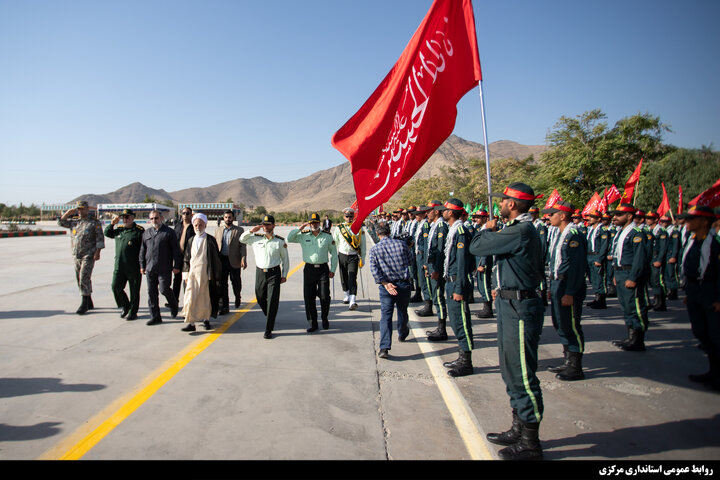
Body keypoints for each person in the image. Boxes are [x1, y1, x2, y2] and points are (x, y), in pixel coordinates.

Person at [469, 182, 545, 461]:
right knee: (510, 369)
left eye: (503, 201)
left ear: (512, 204)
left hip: (520, 307)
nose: (499, 204)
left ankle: (530, 441)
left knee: (523, 374)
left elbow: (477, 247)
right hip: (508, 301)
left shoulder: (520, 230)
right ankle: (518, 428)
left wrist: (485, 229)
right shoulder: (517, 230)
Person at [543, 200, 588, 381]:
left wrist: (569, 292)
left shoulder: (573, 235)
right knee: (560, 323)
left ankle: (576, 366)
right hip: (557, 284)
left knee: (571, 325)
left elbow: (577, 267)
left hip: (568, 286)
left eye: (552, 214)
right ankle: (567, 360)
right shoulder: (560, 233)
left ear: (562, 216)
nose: (549, 216)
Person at [680, 205, 720, 392]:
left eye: (691, 219)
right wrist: (689, 292)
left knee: (716, 334)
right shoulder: (693, 240)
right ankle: (713, 371)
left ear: (704, 221)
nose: (686, 222)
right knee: (700, 331)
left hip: (711, 290)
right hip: (695, 289)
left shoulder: (715, 243)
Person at [436, 199, 475, 377]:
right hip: (451, 280)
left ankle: (466, 362)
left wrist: (459, 288)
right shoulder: (454, 229)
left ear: (451, 213)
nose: (442, 212)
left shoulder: (460, 231)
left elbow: (462, 262)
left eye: (445, 210)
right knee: (456, 320)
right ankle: (461, 357)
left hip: (457, 282)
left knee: (462, 322)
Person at [240, 215, 289, 339]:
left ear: (273, 226)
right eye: (264, 224)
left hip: (274, 273)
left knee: (272, 300)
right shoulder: (255, 238)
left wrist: (284, 275)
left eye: (268, 224)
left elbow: (285, 260)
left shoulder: (279, 241)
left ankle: (268, 329)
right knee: (260, 296)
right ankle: (270, 315)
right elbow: (241, 239)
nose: (266, 227)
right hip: (260, 272)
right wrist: (251, 231)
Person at [369, 222, 413, 359]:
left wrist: (385, 283)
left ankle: (384, 347)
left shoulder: (375, 249)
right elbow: (410, 261)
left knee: (386, 316)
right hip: (403, 284)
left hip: (386, 286)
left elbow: (374, 270)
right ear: (389, 231)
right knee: (402, 311)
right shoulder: (401, 245)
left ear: (377, 234)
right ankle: (402, 331)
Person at [609, 203, 650, 351]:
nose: (615, 217)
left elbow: (639, 258)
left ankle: (638, 339)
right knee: (626, 305)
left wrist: (633, 277)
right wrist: (615, 273)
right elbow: (618, 254)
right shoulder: (622, 232)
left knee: (635, 306)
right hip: (621, 272)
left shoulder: (636, 233)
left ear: (629, 216)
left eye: (619, 215)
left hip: (630, 273)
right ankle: (630, 336)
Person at [288, 213, 338, 332]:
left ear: (319, 223)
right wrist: (300, 227)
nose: (313, 225)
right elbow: (289, 238)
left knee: (324, 296)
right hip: (309, 270)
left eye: (315, 222)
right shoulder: (303, 235)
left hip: (323, 270)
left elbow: (334, 254)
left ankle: (324, 318)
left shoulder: (327, 236)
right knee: (309, 297)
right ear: (309, 224)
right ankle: (312, 323)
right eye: (311, 223)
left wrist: (333, 269)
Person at [58, 200, 105, 315]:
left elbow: (100, 238)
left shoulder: (94, 222)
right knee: (79, 278)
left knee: (84, 276)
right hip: (76, 254)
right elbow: (60, 223)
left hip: (88, 254)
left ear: (87, 209)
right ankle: (89, 300)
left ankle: (84, 304)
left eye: (82, 208)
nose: (80, 211)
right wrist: (68, 212)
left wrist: (97, 252)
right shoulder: (75, 222)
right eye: (78, 209)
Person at [181, 213, 222, 332]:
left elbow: (215, 259)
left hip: (206, 274)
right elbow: (186, 259)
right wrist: (185, 274)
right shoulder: (190, 240)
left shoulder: (210, 240)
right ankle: (191, 323)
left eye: (200, 225)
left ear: (205, 225)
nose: (198, 227)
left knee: (205, 298)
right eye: (196, 225)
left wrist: (214, 275)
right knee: (190, 298)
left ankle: (206, 320)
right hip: (192, 274)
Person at [139, 209, 182, 326]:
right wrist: (142, 265)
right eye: (152, 218)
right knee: (151, 293)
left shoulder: (169, 232)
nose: (154, 220)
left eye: (156, 218)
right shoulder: (146, 233)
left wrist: (176, 265)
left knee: (164, 289)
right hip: (150, 268)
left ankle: (173, 305)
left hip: (164, 268)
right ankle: (155, 316)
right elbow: (142, 250)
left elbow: (175, 250)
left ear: (162, 218)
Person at [104, 208, 144, 320]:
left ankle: (133, 312)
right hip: (119, 266)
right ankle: (125, 305)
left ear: (133, 218)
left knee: (134, 291)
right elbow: (107, 233)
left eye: (127, 217)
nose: (125, 219)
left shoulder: (139, 231)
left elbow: (143, 249)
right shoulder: (119, 230)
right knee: (115, 287)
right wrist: (112, 223)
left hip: (133, 266)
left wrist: (143, 265)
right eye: (123, 217)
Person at [424, 200, 449, 341]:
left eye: (429, 210)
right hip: (432, 265)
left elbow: (440, 251)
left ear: (437, 211)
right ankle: (440, 327)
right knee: (436, 295)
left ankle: (442, 329)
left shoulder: (440, 226)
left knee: (439, 297)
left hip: (437, 268)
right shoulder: (434, 226)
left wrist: (437, 269)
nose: (427, 213)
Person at [332, 207, 366, 310]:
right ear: (344, 217)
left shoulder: (359, 228)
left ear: (353, 217)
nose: (349, 218)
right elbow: (335, 243)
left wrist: (363, 258)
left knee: (352, 277)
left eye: (351, 216)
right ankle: (346, 293)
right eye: (347, 216)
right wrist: (333, 256)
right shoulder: (339, 228)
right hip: (342, 254)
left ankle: (353, 299)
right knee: (343, 276)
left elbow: (363, 244)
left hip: (353, 256)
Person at [214, 210, 247, 314]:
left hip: (234, 260)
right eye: (226, 217)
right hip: (221, 260)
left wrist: (243, 259)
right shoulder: (218, 230)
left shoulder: (239, 230)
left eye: (229, 217)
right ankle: (225, 307)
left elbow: (243, 246)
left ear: (233, 218)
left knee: (236, 282)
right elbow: (215, 245)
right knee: (222, 284)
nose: (228, 219)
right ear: (223, 218)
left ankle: (238, 296)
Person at [585, 209, 610, 309]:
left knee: (599, 278)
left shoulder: (602, 230)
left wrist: (600, 259)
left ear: (598, 219)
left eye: (592, 217)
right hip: (589, 255)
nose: (589, 219)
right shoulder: (590, 229)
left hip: (597, 255)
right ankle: (596, 298)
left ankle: (601, 300)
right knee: (593, 278)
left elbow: (604, 246)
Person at [172, 207, 195, 304]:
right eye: (184, 213)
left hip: (188, 258)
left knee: (187, 280)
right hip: (178, 257)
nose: (185, 215)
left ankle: (187, 301)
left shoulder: (194, 227)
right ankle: (174, 301)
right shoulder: (177, 226)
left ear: (191, 215)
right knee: (176, 280)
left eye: (187, 213)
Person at [647, 212, 669, 311]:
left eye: (650, 218)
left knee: (658, 281)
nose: (647, 220)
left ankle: (661, 302)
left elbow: (663, 248)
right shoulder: (648, 230)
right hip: (650, 258)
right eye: (647, 218)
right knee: (652, 281)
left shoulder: (661, 231)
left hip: (656, 257)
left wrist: (659, 260)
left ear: (656, 220)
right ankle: (656, 300)